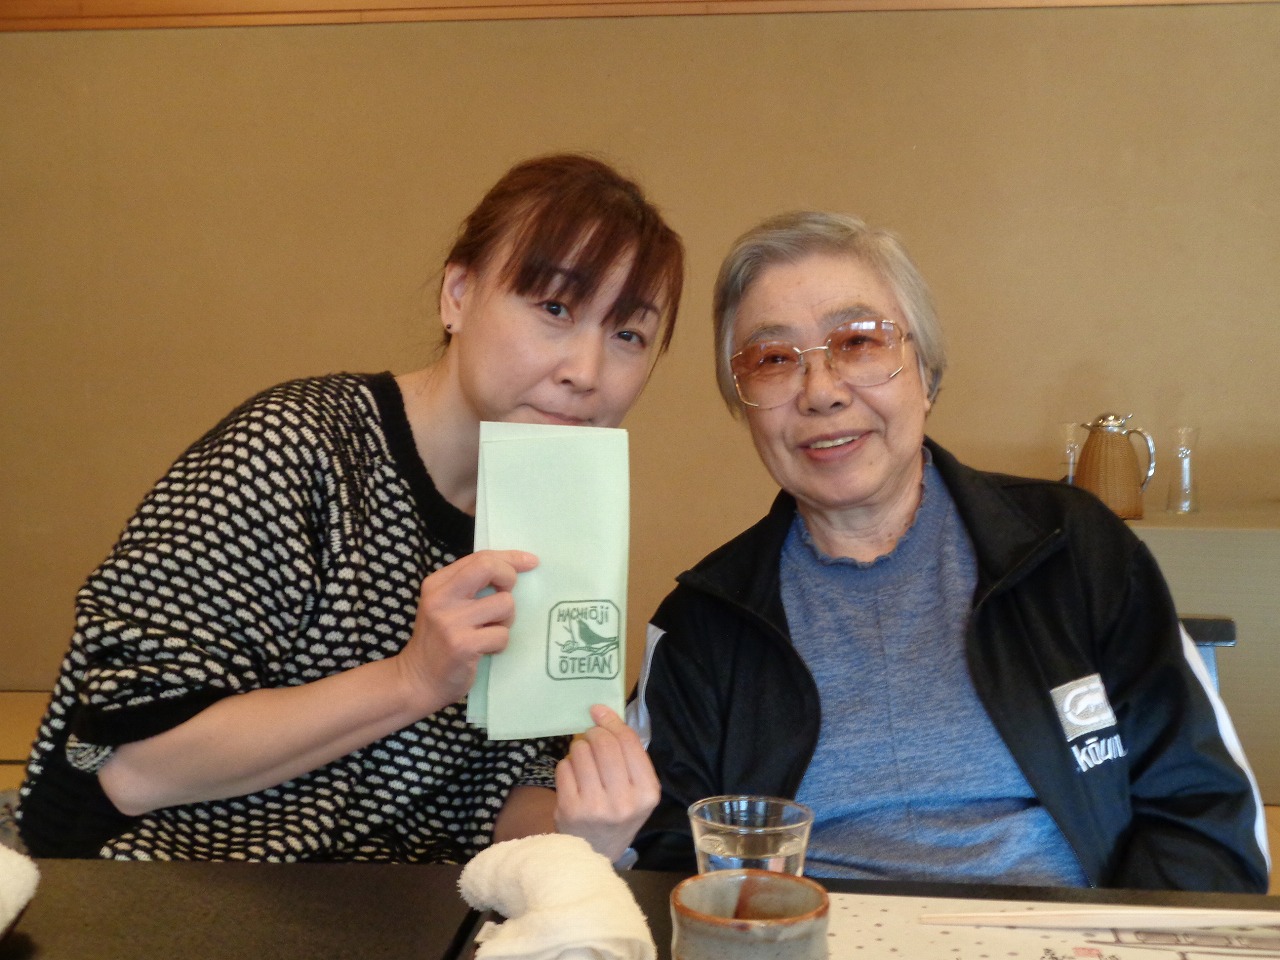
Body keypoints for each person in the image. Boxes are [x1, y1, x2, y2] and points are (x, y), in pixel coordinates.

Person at [18, 153, 676, 863]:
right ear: (457, 295)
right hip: (156, 880)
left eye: (627, 334)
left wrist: (585, 834)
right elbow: (133, 767)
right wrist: (411, 679)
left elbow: (489, 797)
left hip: (390, 901)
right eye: (554, 309)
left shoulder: (554, 514)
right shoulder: (292, 447)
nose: (586, 371)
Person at [628, 211, 1271, 891]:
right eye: (773, 360)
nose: (820, 392)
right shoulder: (704, 622)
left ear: (926, 372)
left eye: (858, 341)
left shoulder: (1071, 549)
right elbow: (663, 862)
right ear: (743, 404)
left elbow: (1205, 818)